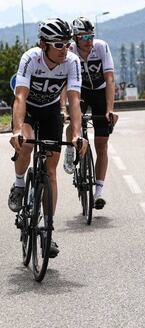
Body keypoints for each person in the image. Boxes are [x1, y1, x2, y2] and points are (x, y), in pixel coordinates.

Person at [8, 18, 87, 257]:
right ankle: (20, 185)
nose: (66, 49)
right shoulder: (30, 58)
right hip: (29, 111)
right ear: (44, 45)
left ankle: (48, 231)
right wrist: (17, 129)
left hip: (52, 112)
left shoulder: (72, 62)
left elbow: (74, 102)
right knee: (28, 144)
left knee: (51, 170)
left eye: (67, 44)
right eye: (59, 45)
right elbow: (20, 97)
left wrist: (76, 135)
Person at [62, 16, 116, 210]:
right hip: (80, 91)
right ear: (75, 38)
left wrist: (110, 109)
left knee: (102, 144)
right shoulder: (68, 51)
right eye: (84, 37)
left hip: (100, 92)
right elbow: (63, 82)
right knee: (73, 122)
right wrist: (63, 109)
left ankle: (99, 191)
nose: (89, 41)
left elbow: (110, 79)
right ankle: (69, 151)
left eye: (91, 36)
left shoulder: (101, 47)